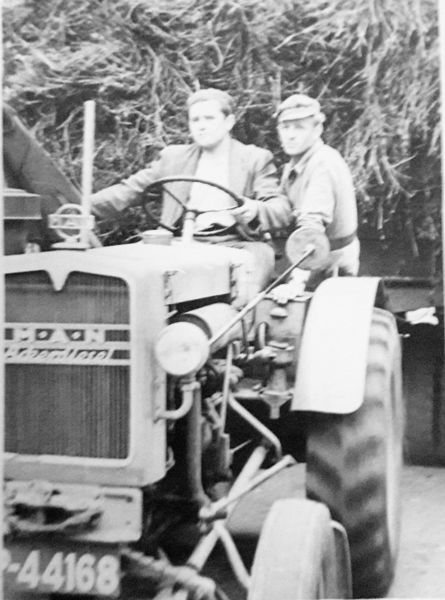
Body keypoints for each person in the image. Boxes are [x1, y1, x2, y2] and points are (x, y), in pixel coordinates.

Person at [91, 88, 291, 299]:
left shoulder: (254, 159)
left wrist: (255, 209)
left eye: (209, 118)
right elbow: (128, 191)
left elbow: (280, 208)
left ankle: (242, 314)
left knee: (259, 257)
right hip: (180, 241)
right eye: (195, 120)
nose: (201, 126)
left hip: (235, 242)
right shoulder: (173, 158)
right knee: (125, 267)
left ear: (229, 122)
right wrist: (82, 206)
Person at [268, 93, 360, 302]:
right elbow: (281, 207)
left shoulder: (323, 163)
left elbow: (312, 226)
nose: (290, 135)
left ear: (317, 130)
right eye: (285, 127)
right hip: (309, 258)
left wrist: (296, 282)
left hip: (330, 267)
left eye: (299, 128)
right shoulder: (296, 163)